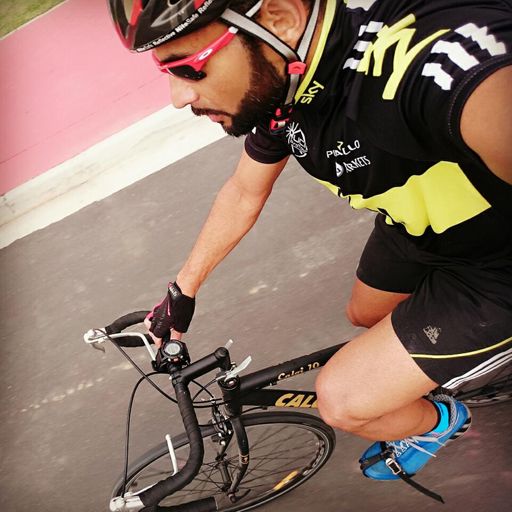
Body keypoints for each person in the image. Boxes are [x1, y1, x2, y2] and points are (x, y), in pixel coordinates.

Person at [107, 0, 512, 498]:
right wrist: (182, 291)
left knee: (341, 403)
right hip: (421, 225)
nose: (177, 96)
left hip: (496, 268)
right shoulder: (285, 86)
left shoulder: (423, 69)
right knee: (364, 313)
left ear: (280, 17)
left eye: (189, 68)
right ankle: (428, 362)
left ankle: (441, 421)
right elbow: (244, 192)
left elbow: (482, 85)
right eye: (166, 72)